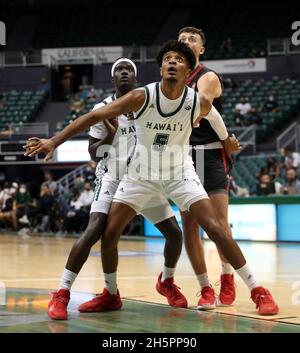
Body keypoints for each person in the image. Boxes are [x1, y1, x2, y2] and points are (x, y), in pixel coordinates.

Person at [25, 41, 279, 316]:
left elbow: (215, 119)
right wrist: (54, 140)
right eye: (167, 59)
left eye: (178, 60)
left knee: (216, 227)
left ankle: (257, 290)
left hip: (179, 173)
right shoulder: (142, 96)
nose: (172, 62)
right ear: (160, 68)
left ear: (187, 70)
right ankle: (107, 294)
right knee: (108, 234)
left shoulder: (196, 101)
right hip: (140, 175)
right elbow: (93, 115)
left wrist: (226, 140)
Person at [30, 58, 185, 320]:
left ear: (135, 79)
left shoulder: (148, 104)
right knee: (94, 231)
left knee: (175, 234)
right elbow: (94, 152)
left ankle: (166, 281)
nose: (124, 73)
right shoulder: (102, 108)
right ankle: (64, 292)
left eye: (129, 70)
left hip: (142, 177)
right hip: (112, 176)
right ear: (113, 80)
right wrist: (111, 134)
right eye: (118, 71)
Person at [178, 26, 240, 308]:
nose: (186, 42)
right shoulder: (170, 77)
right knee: (189, 225)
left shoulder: (207, 76)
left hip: (211, 154)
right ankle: (205, 287)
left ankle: (227, 275)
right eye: (182, 39)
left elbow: (202, 106)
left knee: (218, 223)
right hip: (181, 157)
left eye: (192, 39)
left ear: (201, 49)